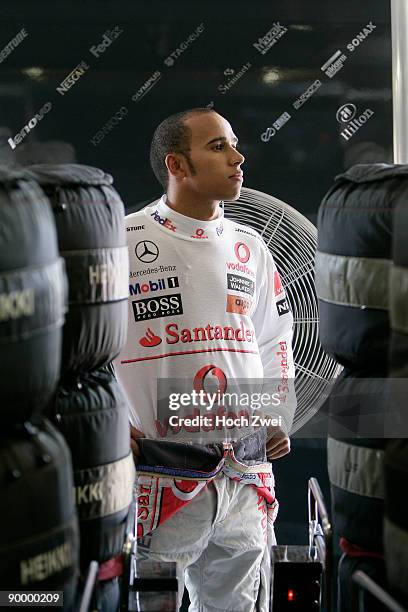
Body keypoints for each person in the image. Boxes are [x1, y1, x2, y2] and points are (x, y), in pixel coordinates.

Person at [115, 108, 295, 611]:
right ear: (177, 164)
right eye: (218, 147)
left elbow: (274, 342)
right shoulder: (121, 242)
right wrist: (109, 419)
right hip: (159, 474)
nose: (238, 158)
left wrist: (277, 415)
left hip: (245, 474)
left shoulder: (251, 246)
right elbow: (83, 351)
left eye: (234, 144)